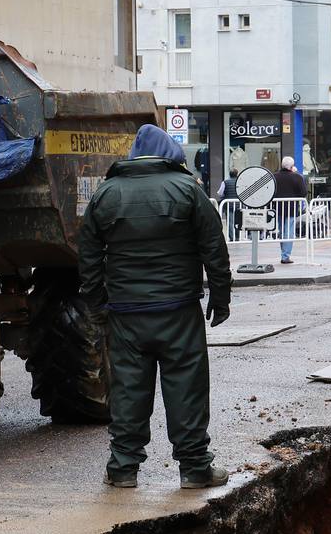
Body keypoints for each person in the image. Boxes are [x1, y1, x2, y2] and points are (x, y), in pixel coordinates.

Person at [78, 124, 233, 490]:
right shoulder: (187, 190)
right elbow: (214, 247)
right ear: (170, 156)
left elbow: (87, 254)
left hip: (127, 313)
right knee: (187, 387)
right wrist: (221, 298)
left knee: (129, 388)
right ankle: (195, 468)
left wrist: (98, 302)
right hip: (178, 310)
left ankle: (123, 468)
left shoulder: (107, 193)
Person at [274, 156, 308, 264]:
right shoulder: (297, 177)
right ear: (292, 166)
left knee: (282, 230)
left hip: (278, 208)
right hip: (291, 209)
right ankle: (285, 256)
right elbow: (303, 193)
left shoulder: (274, 176)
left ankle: (284, 253)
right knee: (288, 232)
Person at [215, 168, 241, 242]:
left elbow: (220, 193)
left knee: (230, 221)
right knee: (238, 221)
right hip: (238, 205)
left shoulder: (225, 182)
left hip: (229, 205)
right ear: (237, 174)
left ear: (229, 174)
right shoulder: (240, 182)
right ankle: (237, 236)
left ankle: (232, 237)